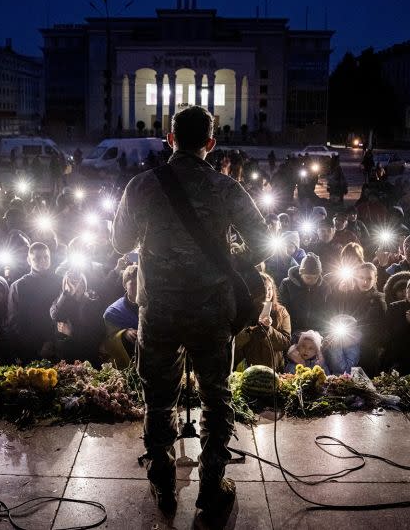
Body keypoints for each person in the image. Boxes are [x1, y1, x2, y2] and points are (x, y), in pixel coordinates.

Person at [110, 105, 271, 514]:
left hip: (159, 311)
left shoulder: (142, 186)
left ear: (170, 139)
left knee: (159, 400)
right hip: (211, 312)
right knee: (216, 398)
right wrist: (229, 257)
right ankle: (211, 484)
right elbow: (264, 243)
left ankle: (163, 482)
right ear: (211, 144)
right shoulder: (226, 188)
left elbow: (119, 243)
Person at [7, 242, 62, 362]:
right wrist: (38, 347)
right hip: (31, 351)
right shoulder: (19, 286)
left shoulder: (60, 282)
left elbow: (65, 313)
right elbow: (15, 321)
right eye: (37, 258)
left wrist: (53, 341)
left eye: (46, 257)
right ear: (28, 260)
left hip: (59, 347)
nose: (42, 261)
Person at [234, 272, 291, 372]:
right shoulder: (243, 311)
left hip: (272, 368)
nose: (267, 292)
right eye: (263, 289)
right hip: (246, 368)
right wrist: (251, 330)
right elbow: (235, 342)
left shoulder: (281, 312)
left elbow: (285, 343)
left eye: (269, 289)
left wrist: (268, 329)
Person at [278, 253, 329, 337]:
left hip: (317, 332)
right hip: (294, 330)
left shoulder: (324, 287)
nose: (311, 281)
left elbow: (327, 311)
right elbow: (283, 308)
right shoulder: (287, 284)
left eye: (315, 277)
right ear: (301, 274)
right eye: (308, 278)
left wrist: (322, 332)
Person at [103, 264, 140, 368]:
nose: (138, 288)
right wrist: (124, 333)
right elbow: (108, 341)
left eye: (140, 283)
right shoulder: (114, 312)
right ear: (124, 285)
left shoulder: (153, 306)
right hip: (129, 361)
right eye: (133, 284)